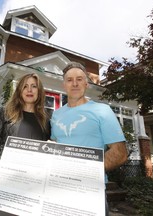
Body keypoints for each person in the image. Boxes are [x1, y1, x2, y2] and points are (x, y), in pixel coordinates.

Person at [50, 61, 128, 216]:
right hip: (59, 187)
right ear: (64, 84)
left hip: (90, 190)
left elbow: (120, 153)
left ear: (86, 83)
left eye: (79, 79)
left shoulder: (102, 110)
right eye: (69, 80)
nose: (75, 84)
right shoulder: (56, 114)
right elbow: (55, 145)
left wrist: (85, 170)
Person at [0, 73, 50, 216]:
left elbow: (47, 149)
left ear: (40, 91)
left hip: (34, 186)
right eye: (25, 86)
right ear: (19, 90)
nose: (29, 90)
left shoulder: (45, 120)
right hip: (6, 183)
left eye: (34, 86)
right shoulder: (6, 113)